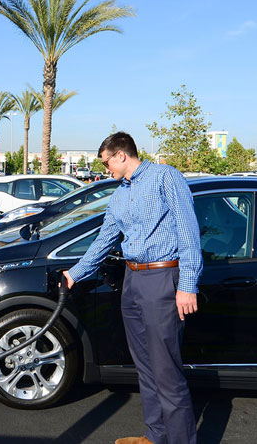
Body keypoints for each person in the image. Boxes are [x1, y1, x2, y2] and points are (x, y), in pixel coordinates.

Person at [63, 132, 202, 444]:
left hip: (164, 280)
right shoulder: (120, 194)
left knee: (167, 373)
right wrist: (75, 273)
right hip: (133, 281)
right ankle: (155, 437)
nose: (105, 169)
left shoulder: (166, 177)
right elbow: (105, 238)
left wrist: (188, 285)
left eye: (106, 162)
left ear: (121, 155)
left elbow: (188, 231)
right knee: (147, 368)